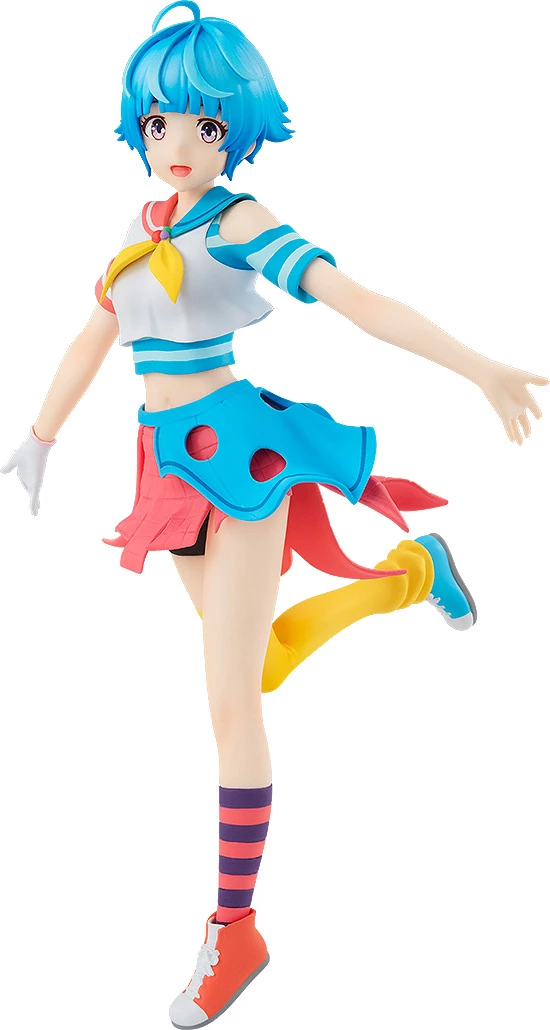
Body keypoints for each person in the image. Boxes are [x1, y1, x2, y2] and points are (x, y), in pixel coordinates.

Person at [2, 4, 547, 1026]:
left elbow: (356, 299)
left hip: (240, 460)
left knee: (230, 707)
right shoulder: (141, 228)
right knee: (256, 668)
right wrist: (40, 434)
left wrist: (476, 366)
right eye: (160, 121)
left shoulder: (240, 222)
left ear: (237, 131)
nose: (178, 142)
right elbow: (92, 337)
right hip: (164, 469)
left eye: (205, 125)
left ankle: (236, 926)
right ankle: (417, 574)